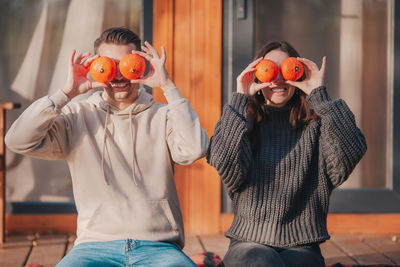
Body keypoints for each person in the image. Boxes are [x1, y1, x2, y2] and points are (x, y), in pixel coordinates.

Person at [5, 27, 208, 266]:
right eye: (109, 65)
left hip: (159, 246)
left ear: (140, 65)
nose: (119, 75)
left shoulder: (163, 115)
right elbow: (17, 140)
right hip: (93, 247)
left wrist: (168, 87)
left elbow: (195, 149)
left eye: (125, 64)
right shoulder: (77, 115)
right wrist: (65, 94)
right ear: (96, 68)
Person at [207, 41, 367, 267]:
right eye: (270, 70)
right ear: (258, 76)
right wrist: (240, 97)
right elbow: (222, 160)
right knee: (262, 260)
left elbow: (350, 152)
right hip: (248, 242)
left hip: (302, 243)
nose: (279, 79)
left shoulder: (317, 125)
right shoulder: (244, 123)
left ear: (298, 74)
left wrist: (319, 96)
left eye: (286, 69)